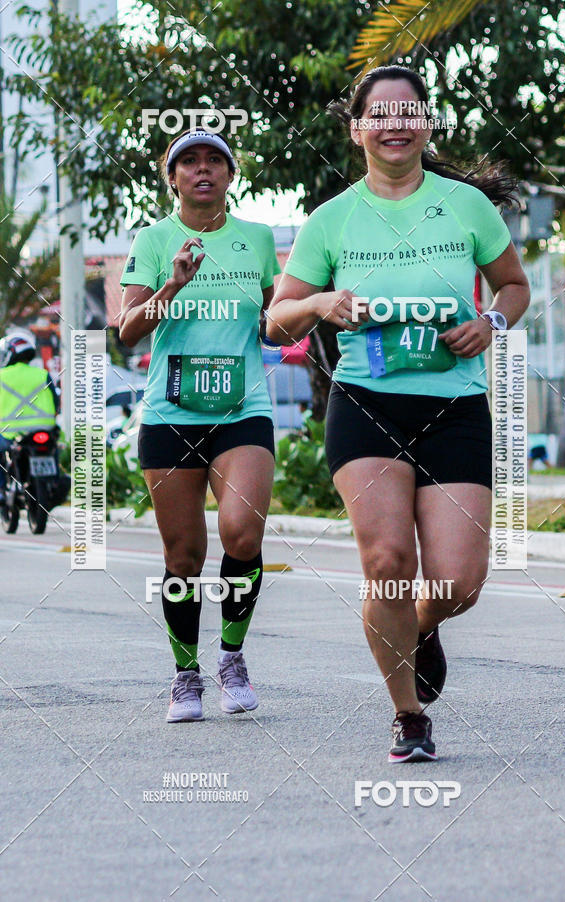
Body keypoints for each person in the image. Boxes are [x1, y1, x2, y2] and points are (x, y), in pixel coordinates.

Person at [267, 66, 530, 761]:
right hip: (367, 404)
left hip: (456, 406)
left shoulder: (468, 207)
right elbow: (277, 319)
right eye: (379, 114)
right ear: (357, 129)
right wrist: (321, 304)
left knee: (458, 582)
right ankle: (409, 714)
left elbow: (512, 288)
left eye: (408, 112)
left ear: (427, 124)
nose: (395, 124)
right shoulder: (332, 219)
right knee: (387, 561)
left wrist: (491, 326)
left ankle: (419, 625)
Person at [119, 129, 280, 722]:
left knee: (242, 535)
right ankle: (186, 674)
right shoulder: (154, 239)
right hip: (171, 412)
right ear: (174, 178)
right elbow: (129, 329)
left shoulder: (259, 239)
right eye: (190, 162)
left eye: (216, 160)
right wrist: (173, 284)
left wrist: (306, 315)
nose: (203, 170)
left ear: (231, 176)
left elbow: (275, 321)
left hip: (244, 410)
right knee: (183, 555)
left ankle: (232, 656)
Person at [0, 334, 58, 505]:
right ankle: (54, 480)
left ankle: (1, 489)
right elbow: (56, 401)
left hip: (11, 433)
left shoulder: (2, 375)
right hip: (44, 429)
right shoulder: (42, 374)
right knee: (53, 448)